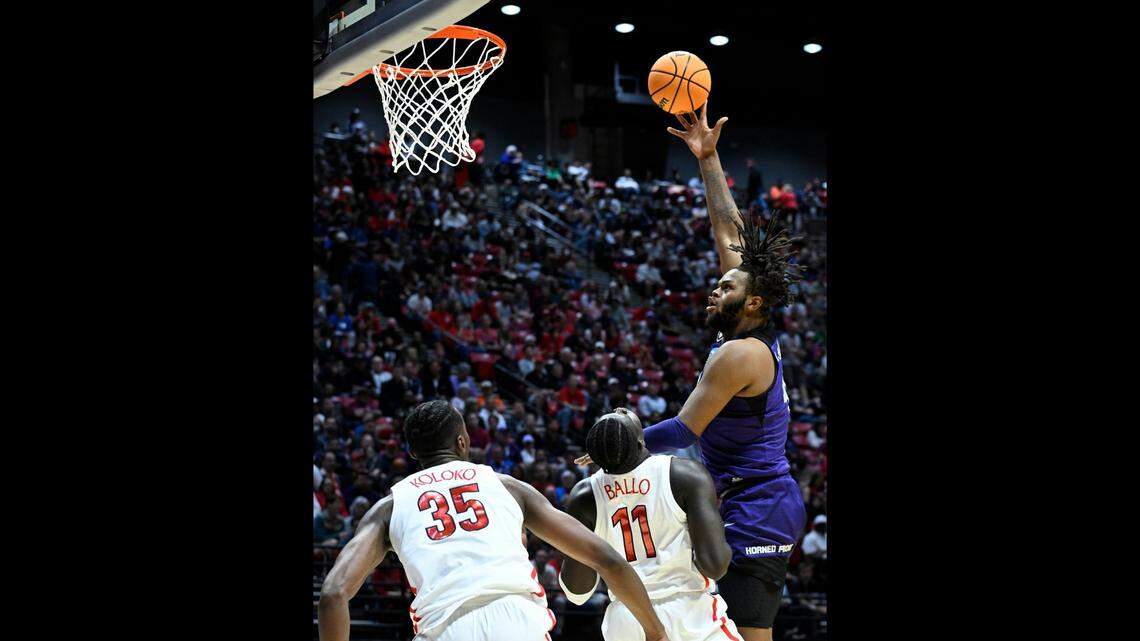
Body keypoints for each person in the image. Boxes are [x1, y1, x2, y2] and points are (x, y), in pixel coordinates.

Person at [580, 101, 806, 641]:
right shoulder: (744, 325)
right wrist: (707, 158)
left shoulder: (740, 353)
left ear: (752, 305)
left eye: (727, 287)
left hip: (758, 505)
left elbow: (683, 431)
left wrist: (620, 444)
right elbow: (730, 234)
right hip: (742, 495)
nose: (716, 286)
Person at [318, 400, 671, 641]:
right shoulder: (506, 486)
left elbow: (333, 594)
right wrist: (655, 632)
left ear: (412, 453)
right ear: (463, 441)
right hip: (517, 620)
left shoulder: (388, 507)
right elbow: (606, 558)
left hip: (444, 630)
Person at [559, 409, 740, 641]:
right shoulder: (684, 474)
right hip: (688, 612)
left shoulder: (583, 496)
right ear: (640, 441)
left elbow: (577, 592)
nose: (619, 410)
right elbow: (715, 566)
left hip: (627, 620)